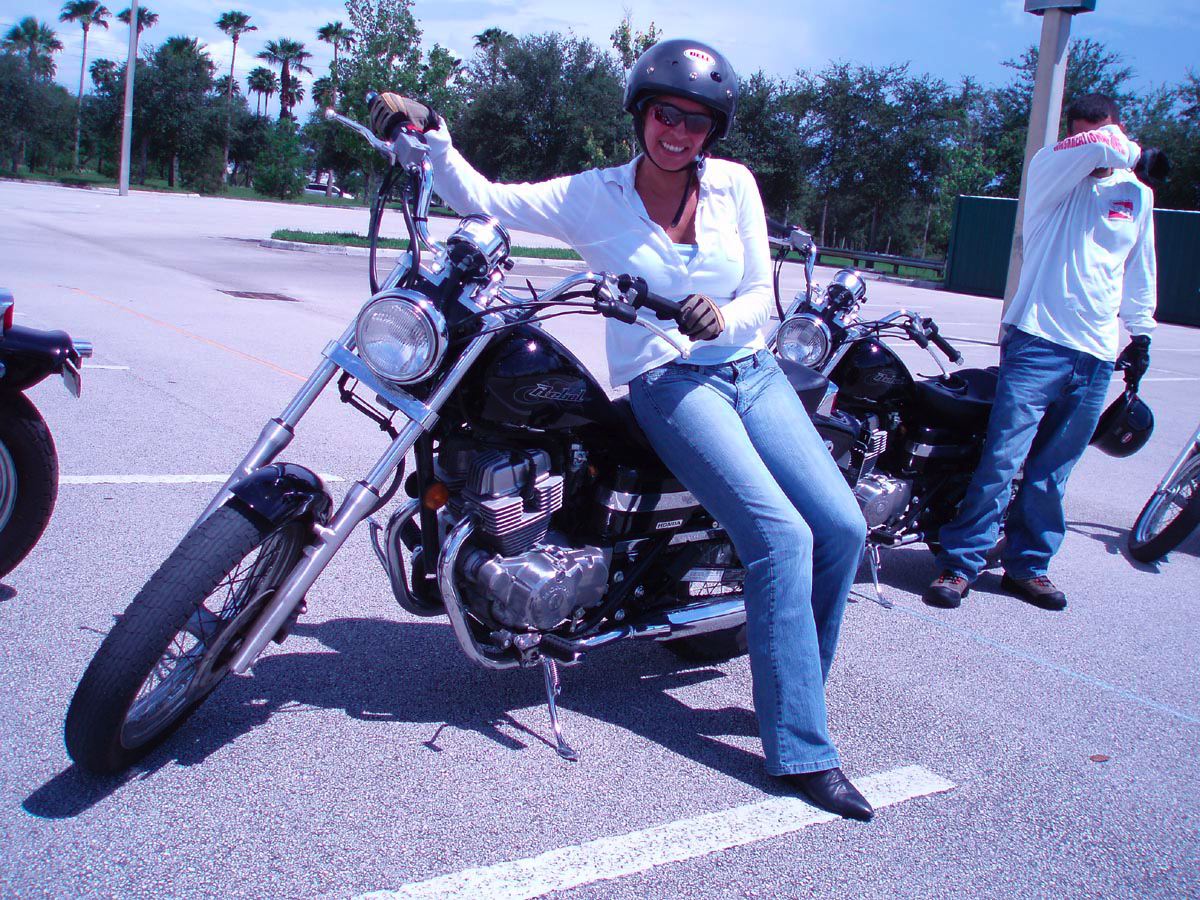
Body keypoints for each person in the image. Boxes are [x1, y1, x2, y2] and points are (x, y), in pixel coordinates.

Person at [368, 39, 872, 820]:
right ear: (642, 113)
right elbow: (483, 197)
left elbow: (757, 294)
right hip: (671, 380)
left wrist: (722, 318)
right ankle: (803, 750)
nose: (679, 132)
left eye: (697, 122)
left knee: (840, 527)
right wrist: (433, 136)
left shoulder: (735, 186)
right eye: (667, 114)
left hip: (752, 370)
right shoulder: (594, 196)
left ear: (713, 133)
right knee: (781, 537)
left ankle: (798, 687)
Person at [924, 93, 1157, 611]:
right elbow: (1099, 148)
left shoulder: (1137, 196)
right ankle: (960, 563)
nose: (1099, 146)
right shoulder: (1053, 172)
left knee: (1053, 472)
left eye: (1106, 132)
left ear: (1119, 127)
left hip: (1096, 354)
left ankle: (1028, 567)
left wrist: (1141, 334)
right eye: (1086, 134)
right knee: (1002, 461)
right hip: (1037, 341)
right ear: (1074, 135)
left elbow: (1140, 269)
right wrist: (1126, 147)